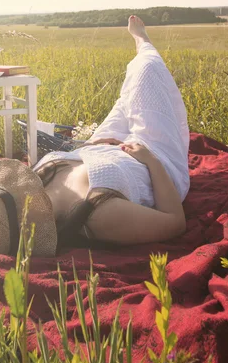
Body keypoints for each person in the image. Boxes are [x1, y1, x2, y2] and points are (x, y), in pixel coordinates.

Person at [32, 15, 190, 247]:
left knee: (127, 98)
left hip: (102, 146)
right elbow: (175, 222)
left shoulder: (38, 177)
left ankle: (142, 47)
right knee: (147, 68)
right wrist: (150, 160)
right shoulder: (98, 216)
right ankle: (143, 43)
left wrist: (89, 146)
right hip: (152, 157)